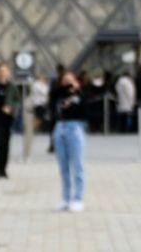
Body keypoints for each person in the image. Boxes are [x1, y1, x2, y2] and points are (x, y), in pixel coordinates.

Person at [51, 70, 87, 212]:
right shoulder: (58, 94)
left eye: (70, 80)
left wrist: (77, 91)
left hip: (75, 128)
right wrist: (65, 89)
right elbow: (53, 97)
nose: (67, 83)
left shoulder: (80, 95)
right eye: (64, 80)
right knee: (63, 167)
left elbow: (85, 110)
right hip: (60, 128)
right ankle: (65, 198)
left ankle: (78, 198)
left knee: (77, 165)